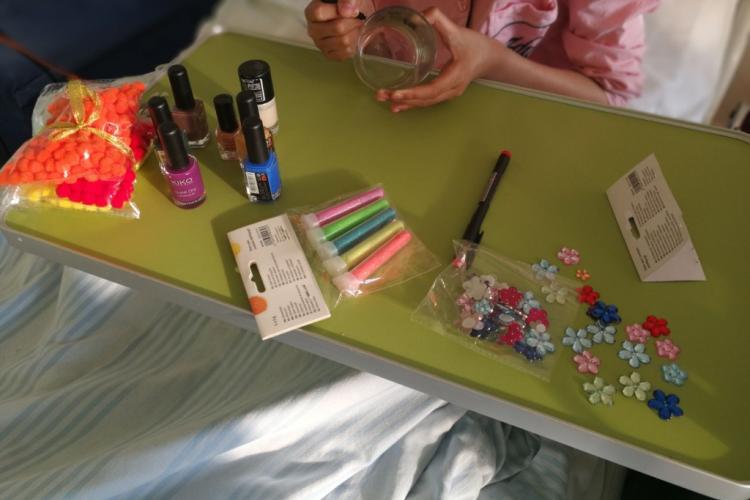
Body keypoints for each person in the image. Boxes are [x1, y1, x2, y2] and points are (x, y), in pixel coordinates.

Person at [304, 0, 659, 112]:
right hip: (386, 112)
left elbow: (609, 98)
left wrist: (497, 63)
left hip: (526, 125)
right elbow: (354, 19)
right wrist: (341, 26)